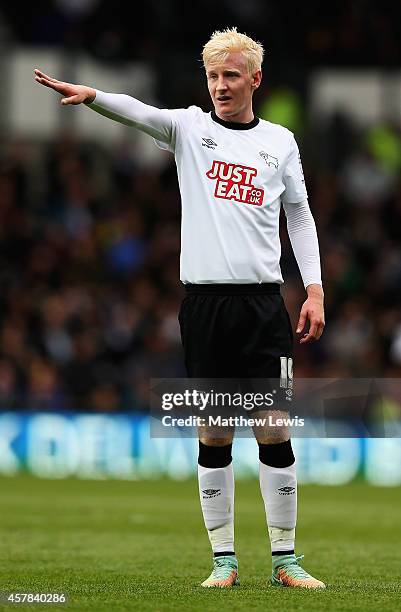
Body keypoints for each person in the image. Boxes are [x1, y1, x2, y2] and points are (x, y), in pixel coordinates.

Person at [34, 27, 325, 590]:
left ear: (255, 80)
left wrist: (313, 289)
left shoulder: (281, 143)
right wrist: (92, 97)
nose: (219, 86)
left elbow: (301, 218)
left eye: (231, 76)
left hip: (264, 304)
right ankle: (224, 563)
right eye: (213, 76)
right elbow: (138, 112)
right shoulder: (189, 129)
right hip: (205, 304)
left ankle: (286, 561)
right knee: (215, 430)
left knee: (272, 426)